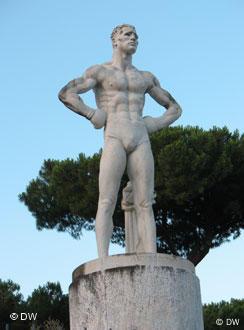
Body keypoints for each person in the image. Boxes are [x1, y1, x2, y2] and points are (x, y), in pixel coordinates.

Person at [58, 24, 182, 258]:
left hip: (140, 138)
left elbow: (175, 109)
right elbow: (66, 94)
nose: (134, 38)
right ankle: (102, 259)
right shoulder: (100, 72)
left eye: (136, 35)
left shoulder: (146, 77)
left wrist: (154, 123)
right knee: (106, 200)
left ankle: (151, 257)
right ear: (115, 40)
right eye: (127, 34)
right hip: (114, 136)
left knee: (145, 203)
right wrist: (91, 113)